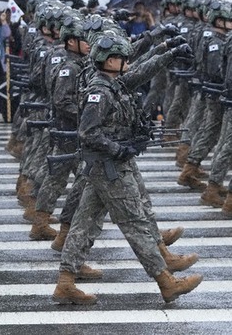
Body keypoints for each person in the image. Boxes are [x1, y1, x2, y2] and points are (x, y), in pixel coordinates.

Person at [53, 34, 203, 305]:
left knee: (84, 224)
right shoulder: (100, 92)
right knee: (135, 223)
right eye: (122, 58)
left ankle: (65, 283)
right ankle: (166, 281)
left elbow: (143, 71)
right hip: (110, 167)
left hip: (105, 167)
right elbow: (88, 133)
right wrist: (117, 149)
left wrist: (168, 53)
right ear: (109, 61)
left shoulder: (114, 84)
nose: (127, 62)